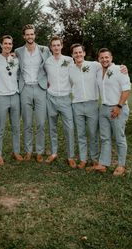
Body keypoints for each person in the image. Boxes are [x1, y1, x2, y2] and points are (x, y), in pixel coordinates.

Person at [15, 24, 51, 162]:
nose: (30, 36)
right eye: (27, 34)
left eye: (32, 34)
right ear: (24, 36)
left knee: (41, 122)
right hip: (25, 89)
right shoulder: (18, 51)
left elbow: (51, 65)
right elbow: (14, 68)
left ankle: (40, 151)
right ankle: (29, 150)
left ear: (35, 35)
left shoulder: (44, 49)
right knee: (28, 123)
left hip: (40, 88)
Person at [92, 48, 131, 176]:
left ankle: (121, 165)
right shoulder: (98, 72)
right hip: (103, 108)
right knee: (105, 138)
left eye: (106, 57)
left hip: (118, 108)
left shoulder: (120, 70)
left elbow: (126, 90)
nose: (104, 60)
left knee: (119, 137)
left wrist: (119, 107)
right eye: (102, 58)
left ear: (111, 58)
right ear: (98, 59)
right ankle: (103, 163)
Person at [45, 36, 76, 168]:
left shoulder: (69, 60)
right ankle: (53, 153)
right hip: (50, 98)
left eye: (58, 45)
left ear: (62, 46)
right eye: (54, 45)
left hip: (65, 98)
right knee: (52, 127)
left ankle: (70, 156)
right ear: (51, 47)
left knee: (69, 128)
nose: (56, 47)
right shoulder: (47, 62)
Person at [0, 35, 23, 166]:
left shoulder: (15, 60)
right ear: (1, 45)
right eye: (5, 43)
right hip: (1, 97)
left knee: (16, 127)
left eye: (10, 43)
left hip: (15, 96)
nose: (8, 46)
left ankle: (16, 152)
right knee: (0, 128)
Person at [69, 44, 100, 169]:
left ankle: (94, 158)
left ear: (84, 53)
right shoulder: (70, 69)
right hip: (77, 105)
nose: (78, 55)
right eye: (75, 53)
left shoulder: (94, 65)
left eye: (80, 52)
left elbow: (107, 65)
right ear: (72, 55)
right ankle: (83, 159)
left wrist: (122, 67)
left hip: (92, 104)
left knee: (93, 133)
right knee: (80, 134)